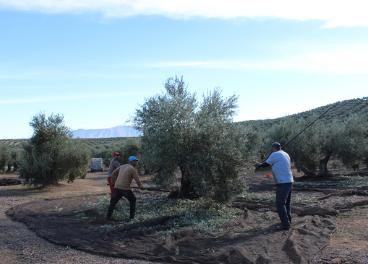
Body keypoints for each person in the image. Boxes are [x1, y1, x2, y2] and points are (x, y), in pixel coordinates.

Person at [256, 142, 294, 230]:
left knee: (280, 203)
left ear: (274, 148)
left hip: (282, 181)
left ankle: (285, 224)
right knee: (286, 202)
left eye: (272, 149)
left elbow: (266, 164)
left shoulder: (275, 154)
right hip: (289, 180)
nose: (272, 150)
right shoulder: (285, 154)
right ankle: (288, 220)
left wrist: (260, 165)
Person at [106, 156, 145, 221]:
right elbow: (137, 179)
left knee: (113, 202)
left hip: (117, 188)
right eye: (136, 161)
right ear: (132, 162)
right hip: (125, 189)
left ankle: (108, 216)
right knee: (133, 200)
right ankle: (132, 218)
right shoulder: (132, 169)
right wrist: (141, 186)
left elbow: (113, 173)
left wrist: (113, 184)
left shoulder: (122, 166)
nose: (136, 163)